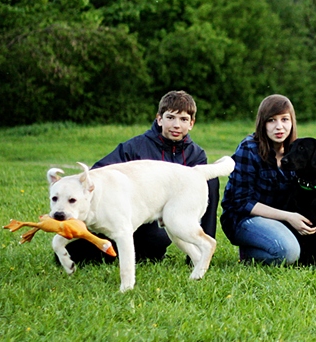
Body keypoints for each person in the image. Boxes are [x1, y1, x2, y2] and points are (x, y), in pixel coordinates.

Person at [64, 90, 218, 265]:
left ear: (191, 123)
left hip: (167, 213)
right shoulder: (134, 147)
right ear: (159, 119)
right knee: (83, 253)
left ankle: (198, 253)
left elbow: (205, 202)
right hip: (128, 214)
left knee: (159, 239)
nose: (176, 125)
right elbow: (97, 174)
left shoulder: (196, 155)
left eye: (183, 120)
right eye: (170, 118)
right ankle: (100, 247)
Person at [220, 95, 316, 265]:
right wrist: (289, 217)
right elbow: (241, 202)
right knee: (288, 252)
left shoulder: (294, 148)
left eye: (284, 119)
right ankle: (251, 251)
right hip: (245, 218)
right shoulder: (249, 149)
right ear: (262, 124)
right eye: (271, 120)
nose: (279, 126)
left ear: (292, 122)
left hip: (280, 215)